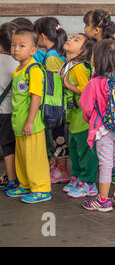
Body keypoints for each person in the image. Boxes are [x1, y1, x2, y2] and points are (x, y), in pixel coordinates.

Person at [80, 39, 115, 212]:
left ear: (98, 60)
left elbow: (85, 107)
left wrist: (91, 120)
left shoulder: (95, 83)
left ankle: (102, 200)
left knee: (106, 164)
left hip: (103, 129)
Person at [6, 29, 51, 203]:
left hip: (31, 124)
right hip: (19, 123)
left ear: (33, 50)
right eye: (13, 45)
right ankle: (25, 184)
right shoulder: (20, 68)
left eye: (22, 45)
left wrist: (30, 122)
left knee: (34, 158)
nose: (16, 48)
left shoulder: (34, 70)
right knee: (22, 157)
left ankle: (41, 189)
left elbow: (36, 97)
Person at [60, 34, 99, 198]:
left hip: (84, 119)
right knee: (75, 149)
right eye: (72, 37)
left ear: (83, 52)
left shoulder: (80, 68)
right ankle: (77, 177)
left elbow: (88, 92)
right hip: (75, 117)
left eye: (76, 40)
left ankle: (89, 183)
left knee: (86, 151)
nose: (70, 39)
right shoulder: (68, 65)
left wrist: (69, 85)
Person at [33, 17, 69, 184]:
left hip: (56, 105)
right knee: (56, 137)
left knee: (59, 137)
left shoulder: (52, 56)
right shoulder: (52, 52)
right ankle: (57, 165)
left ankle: (62, 169)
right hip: (57, 104)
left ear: (42, 36)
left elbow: (55, 85)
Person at [0, 22, 20, 191]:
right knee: (12, 145)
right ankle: (14, 175)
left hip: (3, 112)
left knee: (6, 146)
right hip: (15, 112)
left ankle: (11, 179)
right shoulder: (21, 63)